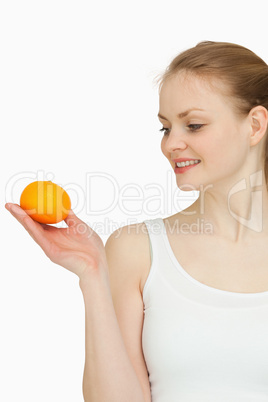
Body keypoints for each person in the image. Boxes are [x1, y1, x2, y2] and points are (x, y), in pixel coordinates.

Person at [5, 40, 268, 401]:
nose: (171, 144)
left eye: (193, 125)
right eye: (165, 128)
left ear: (255, 125)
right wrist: (93, 273)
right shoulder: (138, 249)